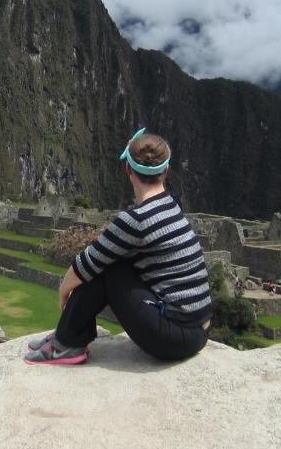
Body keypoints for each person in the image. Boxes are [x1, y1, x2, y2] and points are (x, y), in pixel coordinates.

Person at [25, 127, 212, 366]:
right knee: (112, 261)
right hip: (198, 330)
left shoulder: (137, 219)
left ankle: (66, 343)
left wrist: (64, 291)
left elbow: (86, 264)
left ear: (128, 169)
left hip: (176, 337)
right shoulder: (171, 205)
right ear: (165, 171)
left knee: (107, 268)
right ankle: (67, 337)